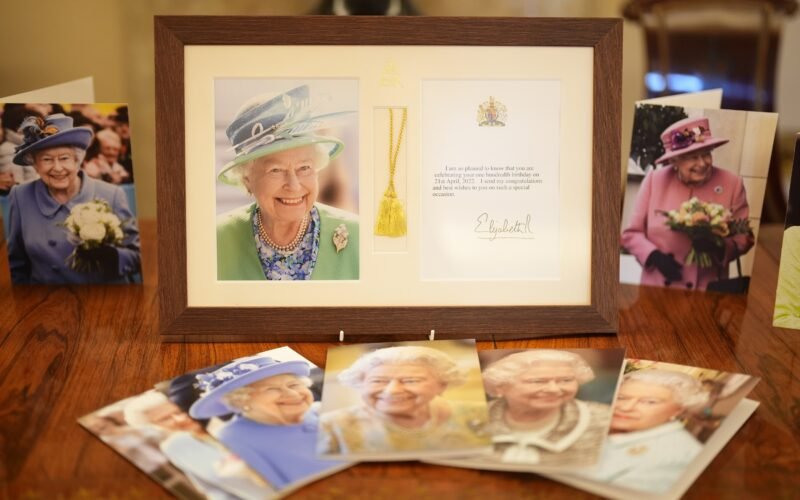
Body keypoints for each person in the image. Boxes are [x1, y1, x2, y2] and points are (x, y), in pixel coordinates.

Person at [216, 85, 359, 280]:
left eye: (304, 168)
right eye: (276, 170)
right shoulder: (216, 240)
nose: (294, 185)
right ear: (247, 179)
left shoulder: (358, 236)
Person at [6, 113, 141, 284]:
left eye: (64, 158)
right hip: (46, 304)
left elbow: (139, 257)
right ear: (35, 165)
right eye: (46, 159)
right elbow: (16, 264)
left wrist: (113, 256)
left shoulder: (111, 195)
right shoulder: (20, 197)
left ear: (78, 160)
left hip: (100, 302)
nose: (57, 168)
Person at [622, 117, 754, 291]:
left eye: (706, 153)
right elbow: (631, 234)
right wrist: (654, 256)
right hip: (658, 288)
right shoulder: (654, 181)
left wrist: (719, 248)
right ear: (674, 160)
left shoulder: (732, 183)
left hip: (708, 290)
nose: (702, 163)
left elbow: (744, 238)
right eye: (692, 157)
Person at [189, 355, 350, 490]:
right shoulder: (232, 439)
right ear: (240, 401)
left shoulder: (323, 411)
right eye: (271, 389)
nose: (293, 393)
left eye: (293, 384)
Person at [317, 346, 489, 456]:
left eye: (411, 381)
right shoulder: (331, 426)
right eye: (378, 381)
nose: (392, 391)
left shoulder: (479, 414)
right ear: (361, 384)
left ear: (442, 386)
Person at [574, 369, 707, 494]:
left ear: (679, 410)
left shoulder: (679, 456)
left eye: (649, 402)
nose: (626, 407)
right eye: (622, 398)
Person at [124, 390, 273, 500]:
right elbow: (213, 490)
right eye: (164, 419)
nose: (179, 419)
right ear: (154, 426)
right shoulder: (174, 447)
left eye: (178, 411)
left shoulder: (229, 423)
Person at [473, 350, 611, 467]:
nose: (554, 389)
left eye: (566, 380)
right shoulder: (473, 421)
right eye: (537, 381)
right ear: (500, 386)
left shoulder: (604, 419)